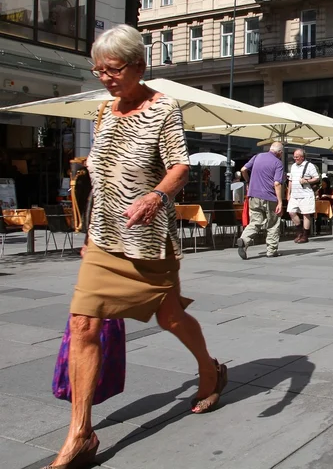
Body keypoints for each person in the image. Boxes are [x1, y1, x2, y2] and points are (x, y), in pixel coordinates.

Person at [45, 25, 226, 469]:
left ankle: (209, 368)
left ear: (139, 66)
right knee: (84, 325)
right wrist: (87, 235)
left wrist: (157, 195)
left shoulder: (164, 108)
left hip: (147, 240)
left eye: (114, 69)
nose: (105, 77)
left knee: (170, 317)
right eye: (98, 70)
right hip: (105, 238)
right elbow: (99, 181)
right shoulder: (103, 112)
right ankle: (81, 433)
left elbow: (180, 166)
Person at [237, 142, 284, 259]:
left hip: (253, 195)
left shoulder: (257, 156)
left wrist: (248, 181)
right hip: (269, 197)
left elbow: (243, 169)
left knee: (255, 222)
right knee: (273, 224)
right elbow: (277, 183)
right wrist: (280, 202)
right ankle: (271, 251)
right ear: (279, 153)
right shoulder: (278, 163)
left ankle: (244, 240)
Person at [287, 149, 319, 244]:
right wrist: (288, 193)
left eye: (297, 156)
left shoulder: (309, 166)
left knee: (306, 214)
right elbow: (290, 180)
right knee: (291, 212)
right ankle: (299, 231)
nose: (295, 158)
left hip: (306, 194)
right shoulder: (293, 166)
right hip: (294, 195)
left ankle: (305, 235)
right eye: (294, 156)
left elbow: (316, 178)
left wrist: (307, 181)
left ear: (302, 157)